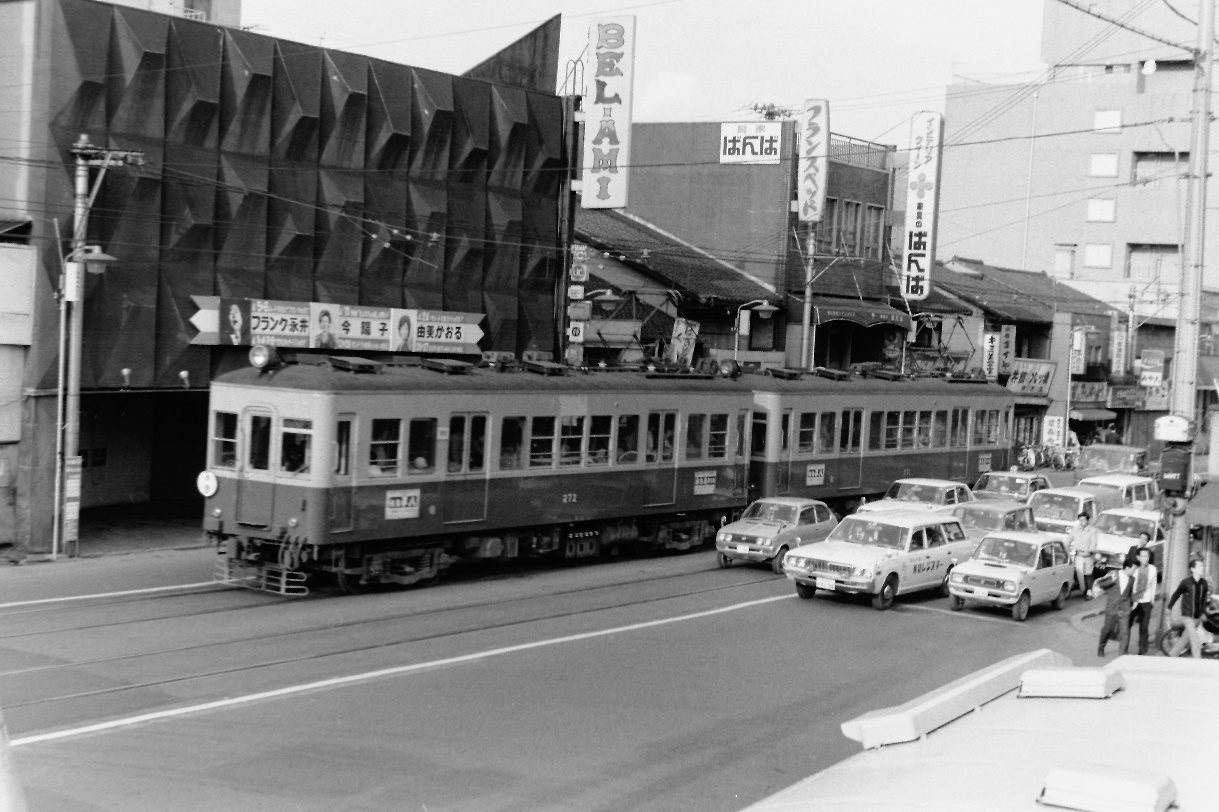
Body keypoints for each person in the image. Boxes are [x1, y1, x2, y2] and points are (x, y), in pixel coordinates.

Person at [1092, 555, 1138, 657]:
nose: (1134, 571)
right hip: (1112, 607)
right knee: (1107, 630)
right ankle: (1101, 647)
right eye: (1134, 569)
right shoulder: (1113, 574)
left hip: (1125, 609)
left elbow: (1130, 593)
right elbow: (1101, 584)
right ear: (1127, 567)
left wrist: (1134, 601)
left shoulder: (1132, 579)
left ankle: (1122, 654)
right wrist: (1111, 580)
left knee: (1124, 632)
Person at [1167, 558, 1212, 658]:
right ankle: (1198, 660)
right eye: (1199, 566)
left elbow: (1204, 600)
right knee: (1194, 639)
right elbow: (1176, 594)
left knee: (1185, 638)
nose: (1202, 568)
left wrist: (1204, 612)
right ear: (1193, 569)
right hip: (1187, 617)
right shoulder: (1186, 582)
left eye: (1202, 566)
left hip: (1197, 618)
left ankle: (1172, 655)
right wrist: (1169, 607)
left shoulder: (1204, 583)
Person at [1127, 545, 1157, 655]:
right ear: (1138, 557)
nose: (1145, 558)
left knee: (1144, 627)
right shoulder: (1134, 569)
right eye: (1143, 556)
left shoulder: (1153, 569)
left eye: (1147, 556)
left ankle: (1142, 650)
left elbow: (1153, 585)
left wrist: (1152, 599)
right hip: (1133, 600)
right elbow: (1128, 585)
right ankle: (1124, 647)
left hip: (1146, 601)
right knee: (1127, 624)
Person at [1068, 513, 1098, 598]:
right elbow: (1068, 539)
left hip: (1088, 556)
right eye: (1080, 520)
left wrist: (1090, 551)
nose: (1082, 522)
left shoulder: (1092, 531)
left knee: (1088, 574)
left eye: (1084, 520)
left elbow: (1093, 543)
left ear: (1087, 520)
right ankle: (1077, 587)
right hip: (1078, 555)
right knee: (1076, 572)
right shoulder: (1075, 529)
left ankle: (1089, 591)